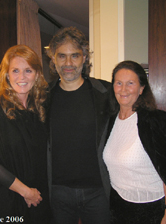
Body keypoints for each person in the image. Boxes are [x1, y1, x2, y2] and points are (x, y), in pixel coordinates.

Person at [103, 60, 166, 224]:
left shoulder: (158, 121)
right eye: (118, 83)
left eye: (130, 83)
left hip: (153, 208)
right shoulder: (108, 122)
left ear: (141, 88)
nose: (123, 89)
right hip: (117, 206)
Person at [0, 45, 51, 224]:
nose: (22, 77)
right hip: (7, 196)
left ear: (37, 75)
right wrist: (25, 192)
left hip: (37, 196)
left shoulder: (40, 109)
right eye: (15, 70)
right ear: (7, 75)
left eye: (28, 70)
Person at [45, 26, 111, 224]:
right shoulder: (42, 98)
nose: (68, 63)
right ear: (53, 59)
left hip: (97, 191)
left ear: (84, 58)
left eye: (74, 56)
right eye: (61, 56)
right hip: (58, 193)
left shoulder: (105, 93)